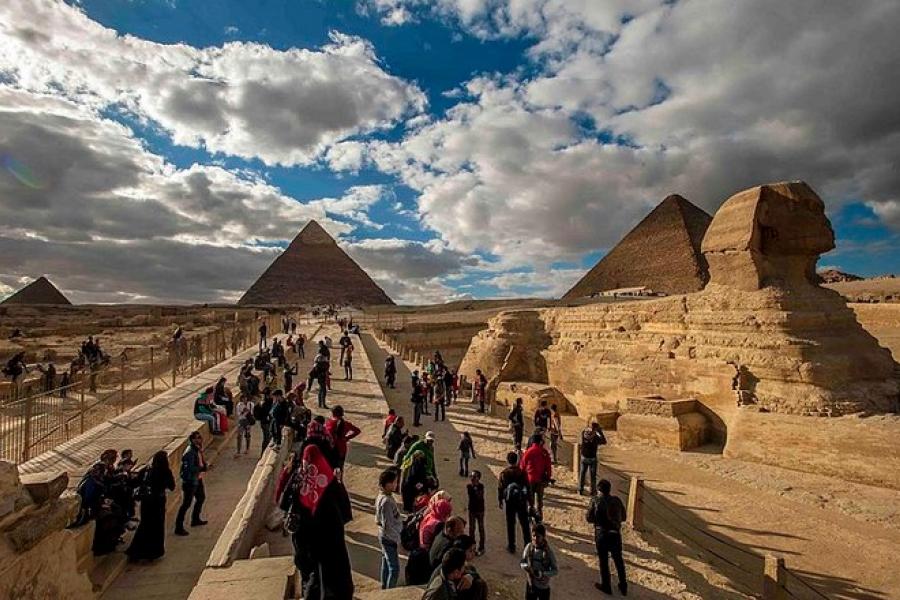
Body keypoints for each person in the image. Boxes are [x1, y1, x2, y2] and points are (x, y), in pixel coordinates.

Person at [126, 450, 176, 561]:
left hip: (146, 502)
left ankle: (136, 552)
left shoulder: (146, 470)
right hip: (158, 502)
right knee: (156, 527)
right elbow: (172, 486)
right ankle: (152, 552)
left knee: (145, 525)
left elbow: (135, 483)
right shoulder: (165, 471)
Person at [587, 479, 628, 596]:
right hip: (615, 533)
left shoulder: (595, 500)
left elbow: (589, 518)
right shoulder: (617, 500)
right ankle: (623, 585)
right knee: (618, 560)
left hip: (601, 534)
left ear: (599, 490)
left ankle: (606, 586)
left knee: (604, 561)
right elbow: (624, 517)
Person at [174, 431, 208, 535]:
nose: (199, 439)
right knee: (186, 504)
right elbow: (189, 468)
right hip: (190, 481)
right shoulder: (189, 452)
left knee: (201, 498)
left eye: (200, 437)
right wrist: (201, 468)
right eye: (196, 438)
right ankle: (178, 527)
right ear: (192, 440)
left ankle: (195, 519)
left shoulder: (197, 449)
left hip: (197, 479)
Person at [499, 451, 531, 554]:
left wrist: (500, 500)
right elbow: (527, 487)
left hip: (510, 501)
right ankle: (528, 545)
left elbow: (500, 488)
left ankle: (511, 546)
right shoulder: (522, 472)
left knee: (511, 524)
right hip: (521, 501)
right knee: (525, 524)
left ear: (508, 460)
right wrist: (530, 501)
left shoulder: (504, 473)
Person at [376, 468, 403, 590]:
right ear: (386, 484)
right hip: (389, 538)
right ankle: (389, 591)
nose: (396, 485)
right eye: (394, 482)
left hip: (384, 536)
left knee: (386, 563)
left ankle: (384, 587)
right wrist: (396, 538)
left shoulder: (383, 496)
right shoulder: (386, 501)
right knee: (394, 568)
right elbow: (388, 524)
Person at [520, 524, 558, 600]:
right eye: (534, 536)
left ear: (543, 537)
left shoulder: (548, 552)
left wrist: (543, 574)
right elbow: (522, 562)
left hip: (543, 587)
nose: (535, 539)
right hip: (531, 584)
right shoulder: (529, 547)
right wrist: (527, 567)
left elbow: (555, 570)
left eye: (538, 536)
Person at [520, 435, 552, 517]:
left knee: (530, 498)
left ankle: (531, 512)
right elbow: (548, 467)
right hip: (540, 479)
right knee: (539, 498)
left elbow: (522, 465)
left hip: (530, 478)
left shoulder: (529, 451)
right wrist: (548, 477)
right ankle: (539, 514)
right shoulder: (544, 452)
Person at [325, 405, 361, 469]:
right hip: (342, 448)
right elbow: (357, 431)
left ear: (333, 413)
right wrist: (347, 438)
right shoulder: (345, 423)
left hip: (331, 448)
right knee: (339, 468)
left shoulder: (328, 423)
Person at [578, 422, 607, 496]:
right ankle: (592, 491)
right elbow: (604, 441)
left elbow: (585, 430)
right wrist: (600, 432)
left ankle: (580, 490)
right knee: (593, 476)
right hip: (592, 458)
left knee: (582, 474)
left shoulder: (583, 433)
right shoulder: (596, 438)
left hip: (584, 457)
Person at [466, 470, 486, 555]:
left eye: (474, 477)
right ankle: (472, 546)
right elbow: (473, 495)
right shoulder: (469, 486)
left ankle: (481, 547)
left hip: (480, 510)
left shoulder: (481, 486)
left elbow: (479, 496)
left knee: (481, 528)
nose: (472, 478)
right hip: (472, 509)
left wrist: (475, 487)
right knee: (472, 529)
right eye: (471, 476)